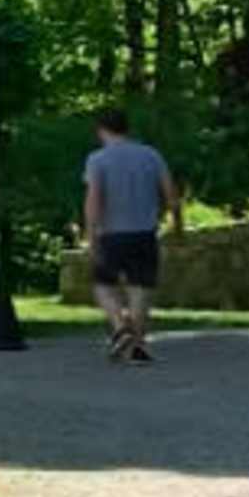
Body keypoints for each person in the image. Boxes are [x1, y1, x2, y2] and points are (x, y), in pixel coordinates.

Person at [80, 107, 185, 364]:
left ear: (101, 130)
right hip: (144, 232)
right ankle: (136, 344)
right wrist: (178, 225)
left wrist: (90, 234)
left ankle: (120, 328)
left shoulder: (98, 159)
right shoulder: (151, 155)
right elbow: (171, 193)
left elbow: (94, 199)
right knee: (141, 288)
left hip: (111, 233)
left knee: (103, 285)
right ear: (126, 128)